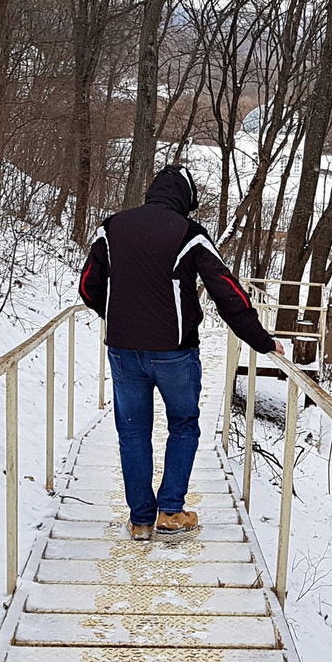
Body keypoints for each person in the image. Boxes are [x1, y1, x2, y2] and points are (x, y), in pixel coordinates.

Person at [78, 164, 283, 541]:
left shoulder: (112, 227)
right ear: (185, 199)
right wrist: (261, 340)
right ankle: (170, 512)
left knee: (133, 432)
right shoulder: (190, 233)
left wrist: (117, 315)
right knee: (183, 426)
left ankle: (140, 520)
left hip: (122, 351)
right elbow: (227, 293)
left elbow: (89, 286)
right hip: (175, 353)